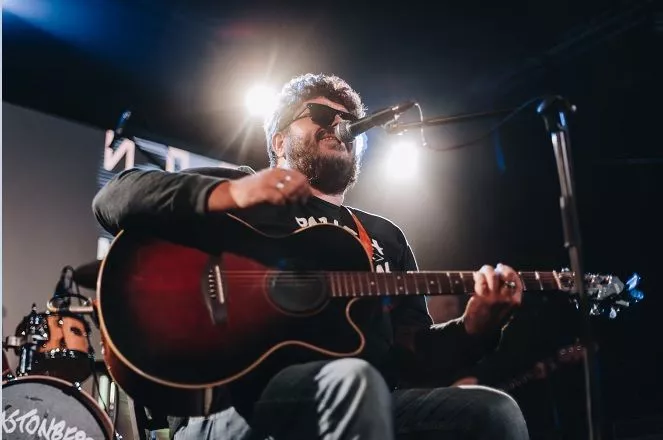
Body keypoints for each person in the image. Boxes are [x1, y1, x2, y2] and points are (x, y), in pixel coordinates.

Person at [92, 73, 530, 440]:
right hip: (238, 402)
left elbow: (412, 357)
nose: (339, 124)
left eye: (349, 121)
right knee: (353, 383)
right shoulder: (243, 193)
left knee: (492, 411)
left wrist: (475, 329)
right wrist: (230, 193)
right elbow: (115, 196)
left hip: (365, 402)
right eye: (321, 115)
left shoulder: (384, 238)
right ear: (280, 140)